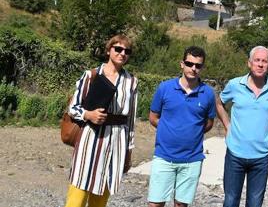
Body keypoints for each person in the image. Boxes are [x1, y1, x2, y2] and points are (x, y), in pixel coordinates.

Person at [64, 34, 138, 207]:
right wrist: (88, 115)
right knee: (78, 194)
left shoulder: (132, 82)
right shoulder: (91, 75)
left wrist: (128, 151)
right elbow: (73, 107)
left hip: (116, 141)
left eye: (127, 51)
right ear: (108, 50)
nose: (122, 53)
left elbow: (131, 120)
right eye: (118, 49)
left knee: (101, 196)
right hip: (91, 138)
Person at [216, 46, 268, 207]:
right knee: (230, 200)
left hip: (261, 156)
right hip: (235, 154)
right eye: (257, 60)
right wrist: (228, 126)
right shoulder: (235, 85)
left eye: (264, 61)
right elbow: (219, 103)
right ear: (249, 63)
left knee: (255, 202)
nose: (260, 64)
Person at [147, 46, 216, 207]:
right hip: (164, 156)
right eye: (189, 63)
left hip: (191, 160)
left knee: (181, 205)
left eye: (198, 65)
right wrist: (169, 129)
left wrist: (191, 131)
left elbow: (208, 123)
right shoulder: (165, 88)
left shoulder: (208, 93)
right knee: (155, 204)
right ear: (182, 64)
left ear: (202, 68)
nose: (193, 68)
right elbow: (153, 117)